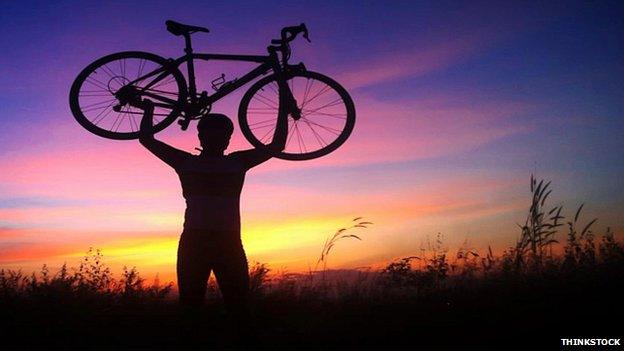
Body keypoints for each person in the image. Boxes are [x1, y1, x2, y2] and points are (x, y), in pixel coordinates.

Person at [135, 96, 288, 342]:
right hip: (212, 242)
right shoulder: (234, 161)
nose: (217, 139)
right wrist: (283, 110)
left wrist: (150, 110)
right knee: (222, 308)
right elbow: (277, 145)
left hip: (209, 242)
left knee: (215, 307)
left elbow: (146, 139)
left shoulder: (191, 161)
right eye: (213, 135)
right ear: (203, 138)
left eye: (221, 135)